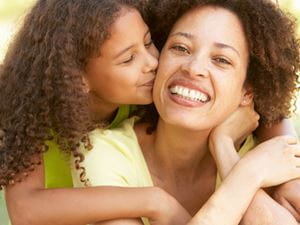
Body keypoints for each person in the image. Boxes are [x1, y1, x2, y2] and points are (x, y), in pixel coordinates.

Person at [1, 0, 298, 225]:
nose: (152, 63)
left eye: (149, 43)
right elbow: (26, 209)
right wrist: (156, 202)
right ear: (76, 78)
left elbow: (266, 107)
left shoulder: (140, 89)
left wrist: (290, 177)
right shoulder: (30, 105)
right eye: (129, 58)